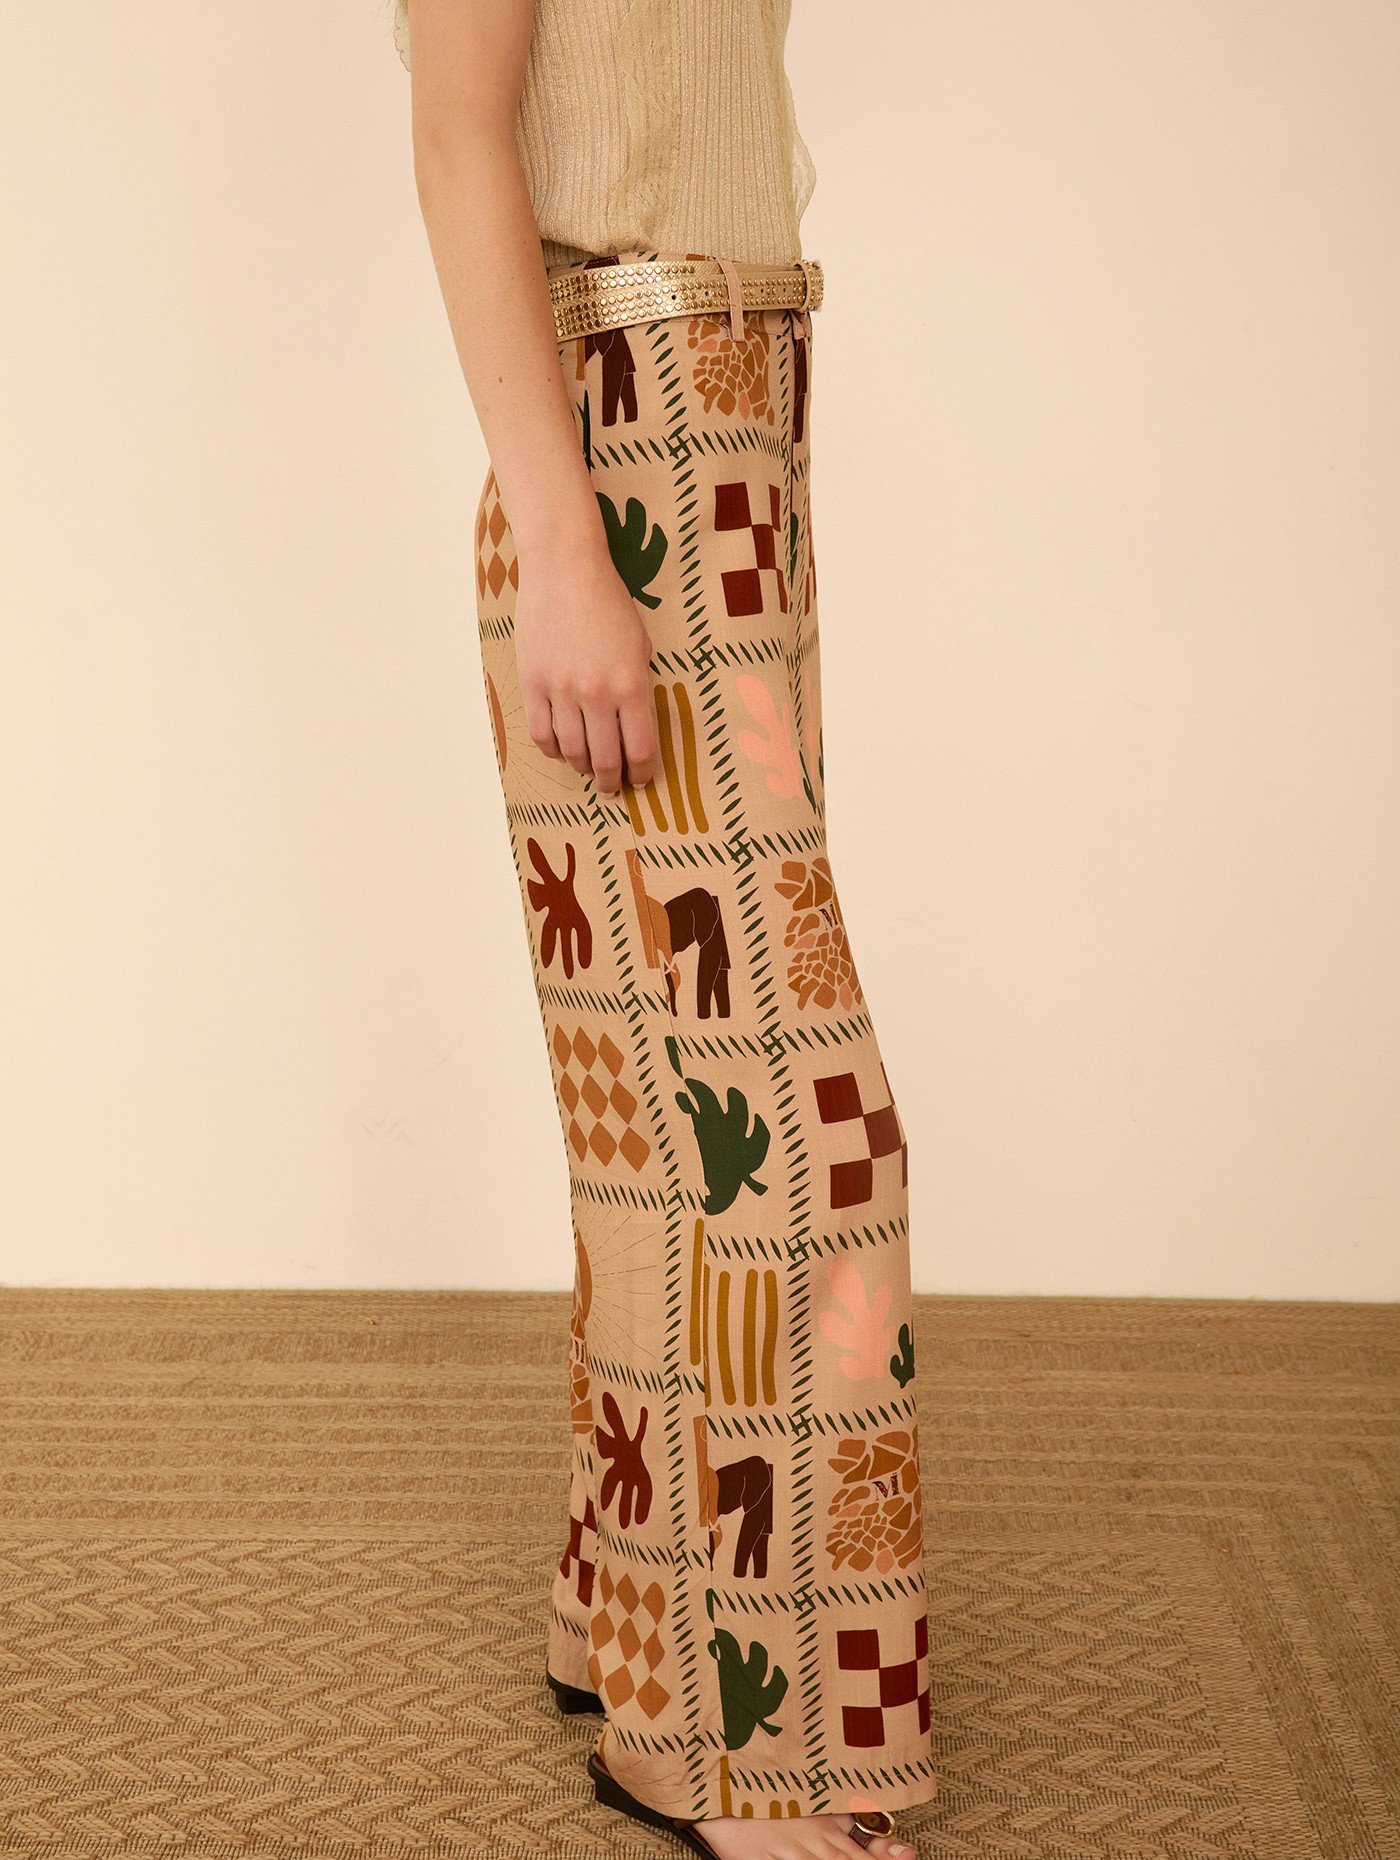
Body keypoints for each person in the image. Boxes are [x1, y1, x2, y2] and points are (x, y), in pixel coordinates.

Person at [396, 3, 939, 1854]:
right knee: (793, 1133)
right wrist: (565, 545)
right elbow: (460, 133)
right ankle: (728, 1748)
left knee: (663, 1118)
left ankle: (627, 1619)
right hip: (630, 448)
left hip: (738, 420)